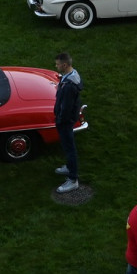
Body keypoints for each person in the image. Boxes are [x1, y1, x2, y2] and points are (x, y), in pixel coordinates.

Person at [52, 52, 83, 194]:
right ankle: (70, 168)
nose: (56, 66)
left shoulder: (70, 85)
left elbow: (66, 106)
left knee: (69, 148)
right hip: (66, 119)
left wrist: (60, 119)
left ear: (64, 65)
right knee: (67, 146)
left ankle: (73, 179)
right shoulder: (71, 76)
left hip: (65, 121)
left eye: (57, 64)